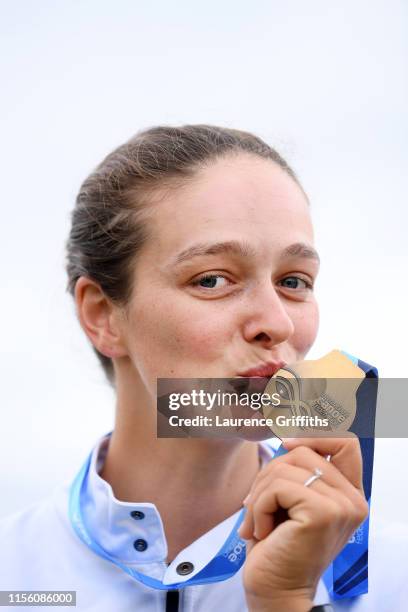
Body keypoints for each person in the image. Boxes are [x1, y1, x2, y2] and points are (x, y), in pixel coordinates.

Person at [1, 125, 407, 611]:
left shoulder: (392, 578)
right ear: (102, 315)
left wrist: (286, 599)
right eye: (212, 279)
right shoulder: (14, 573)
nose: (276, 322)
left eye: (294, 281)